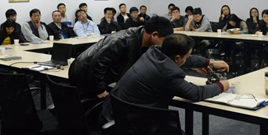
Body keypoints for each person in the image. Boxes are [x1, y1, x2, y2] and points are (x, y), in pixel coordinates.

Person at [69, 16, 229, 99]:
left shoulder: (148, 43)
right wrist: (99, 89)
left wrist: (208, 62)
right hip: (83, 73)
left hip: (107, 77)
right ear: (154, 35)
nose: (166, 45)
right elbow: (98, 63)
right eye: (165, 41)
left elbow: (173, 55)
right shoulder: (123, 40)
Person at [102, 34, 230, 120]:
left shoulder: (154, 51)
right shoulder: (170, 75)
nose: (187, 59)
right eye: (186, 56)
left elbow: (183, 58)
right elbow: (196, 93)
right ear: (177, 58)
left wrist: (209, 62)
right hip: (130, 121)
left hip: (113, 111)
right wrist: (221, 85)